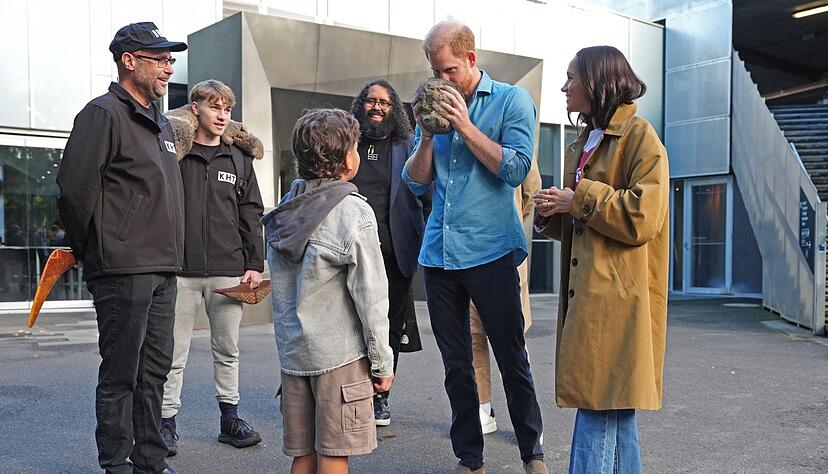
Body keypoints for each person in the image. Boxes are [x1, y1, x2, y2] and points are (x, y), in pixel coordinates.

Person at [402, 21, 547, 474]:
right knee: (456, 365)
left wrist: (464, 126)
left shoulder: (511, 100)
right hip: (439, 254)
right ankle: (470, 459)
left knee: (511, 358)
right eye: (434, 71)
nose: (441, 80)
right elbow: (414, 182)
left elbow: (516, 169)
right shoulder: (433, 107)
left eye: (448, 70)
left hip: (491, 250)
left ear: (470, 59)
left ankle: (532, 453)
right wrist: (428, 135)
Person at [56, 22, 186, 474]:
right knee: (121, 374)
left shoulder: (161, 124)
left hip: (163, 267)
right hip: (122, 266)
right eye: (160, 59)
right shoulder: (103, 114)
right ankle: (116, 465)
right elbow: (75, 192)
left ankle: (150, 461)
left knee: (155, 372)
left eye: (170, 59)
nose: (169, 68)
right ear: (129, 61)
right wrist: (90, 248)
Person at [533, 45, 669, 474]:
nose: (564, 87)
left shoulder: (640, 136)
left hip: (618, 299)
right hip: (592, 294)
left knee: (597, 405)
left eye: (571, 77)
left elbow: (644, 216)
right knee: (614, 407)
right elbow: (586, 221)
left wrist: (577, 199)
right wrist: (553, 213)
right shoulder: (586, 140)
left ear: (597, 82)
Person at [264, 108, 395, 474]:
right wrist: (382, 362)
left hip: (294, 355)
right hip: (339, 358)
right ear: (347, 160)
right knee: (334, 453)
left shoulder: (286, 207)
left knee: (303, 454)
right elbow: (372, 297)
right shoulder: (352, 212)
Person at [159, 80, 265, 456]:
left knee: (228, 349)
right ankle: (166, 423)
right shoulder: (175, 153)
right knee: (173, 353)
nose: (222, 116)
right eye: (214, 107)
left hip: (227, 269)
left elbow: (251, 211)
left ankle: (230, 420)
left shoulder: (237, 158)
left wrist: (254, 263)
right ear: (195, 109)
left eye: (227, 109)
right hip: (180, 270)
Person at [350, 79, 431, 426]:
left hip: (395, 251)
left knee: (389, 326)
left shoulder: (408, 144)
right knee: (352, 323)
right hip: (352, 251)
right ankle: (352, 390)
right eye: (371, 101)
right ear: (361, 105)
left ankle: (380, 395)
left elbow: (425, 196)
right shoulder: (348, 141)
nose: (377, 107)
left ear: (394, 108)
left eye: (384, 102)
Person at [470, 159, 540, 435]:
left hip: (505, 247)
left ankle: (527, 417)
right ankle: (483, 407)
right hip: (468, 248)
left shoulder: (513, 136)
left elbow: (532, 190)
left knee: (512, 340)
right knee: (473, 333)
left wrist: (511, 218)